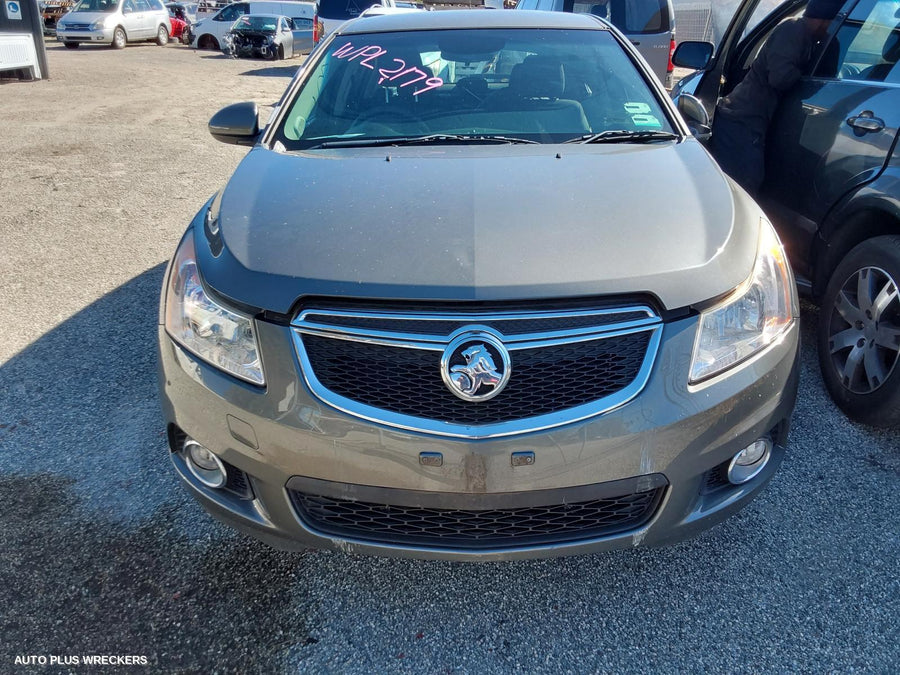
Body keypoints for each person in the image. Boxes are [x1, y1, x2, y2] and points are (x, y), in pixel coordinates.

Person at [710, 0, 844, 196]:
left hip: (756, 119)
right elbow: (780, 78)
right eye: (834, 22)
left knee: (748, 180)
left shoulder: (812, 39)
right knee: (744, 182)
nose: (834, 30)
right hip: (742, 119)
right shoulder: (792, 30)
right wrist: (807, 77)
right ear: (824, 20)